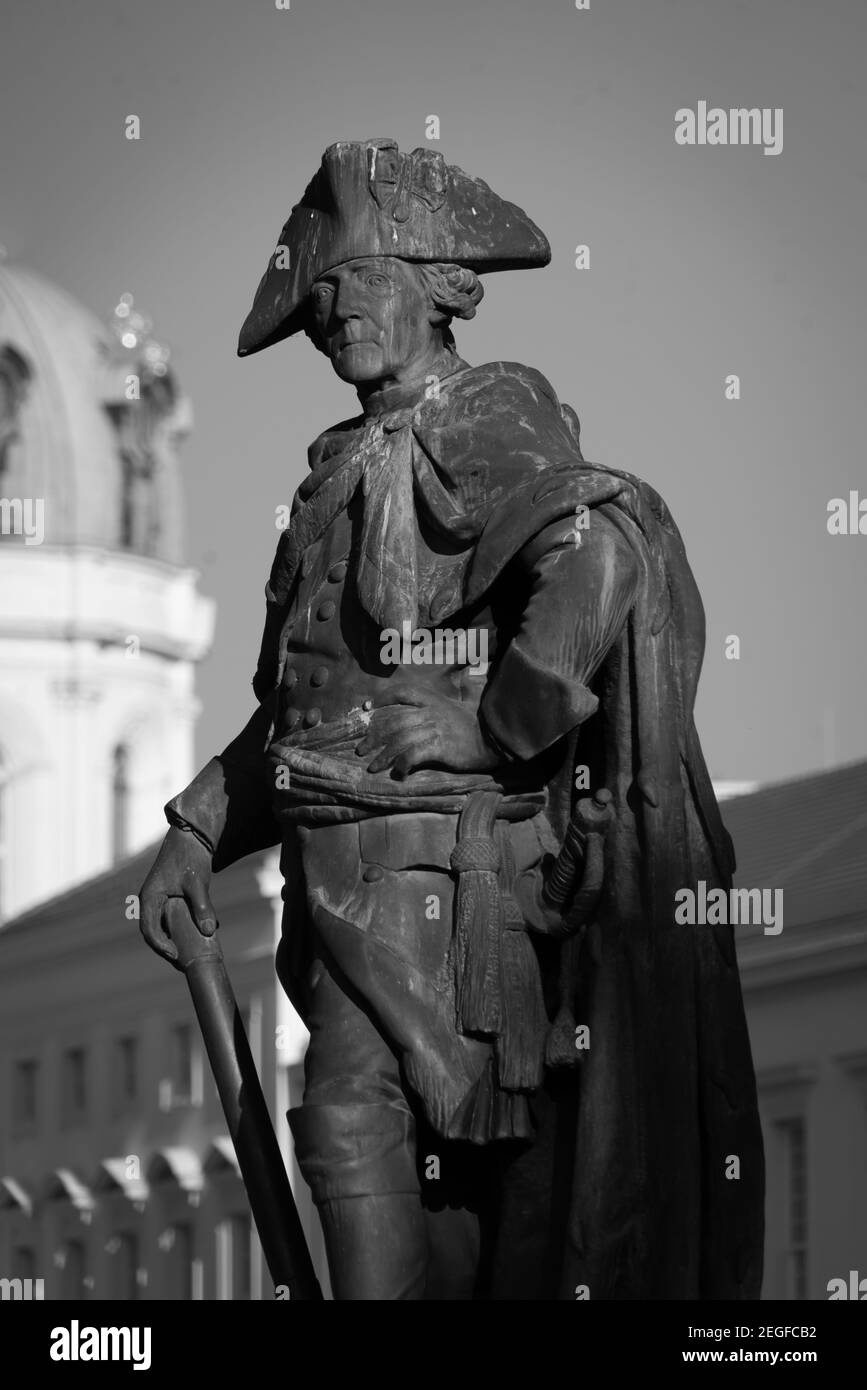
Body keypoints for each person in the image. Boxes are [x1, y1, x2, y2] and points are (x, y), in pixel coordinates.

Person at [140, 138, 764, 1300]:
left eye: (354, 283)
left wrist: (494, 725)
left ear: (434, 285)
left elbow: (599, 556)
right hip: (333, 888)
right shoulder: (333, 469)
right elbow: (300, 712)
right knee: (366, 1157)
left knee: (390, 1149)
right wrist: (196, 829)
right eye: (317, 297)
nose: (330, 315)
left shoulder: (484, 410)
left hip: (448, 890)